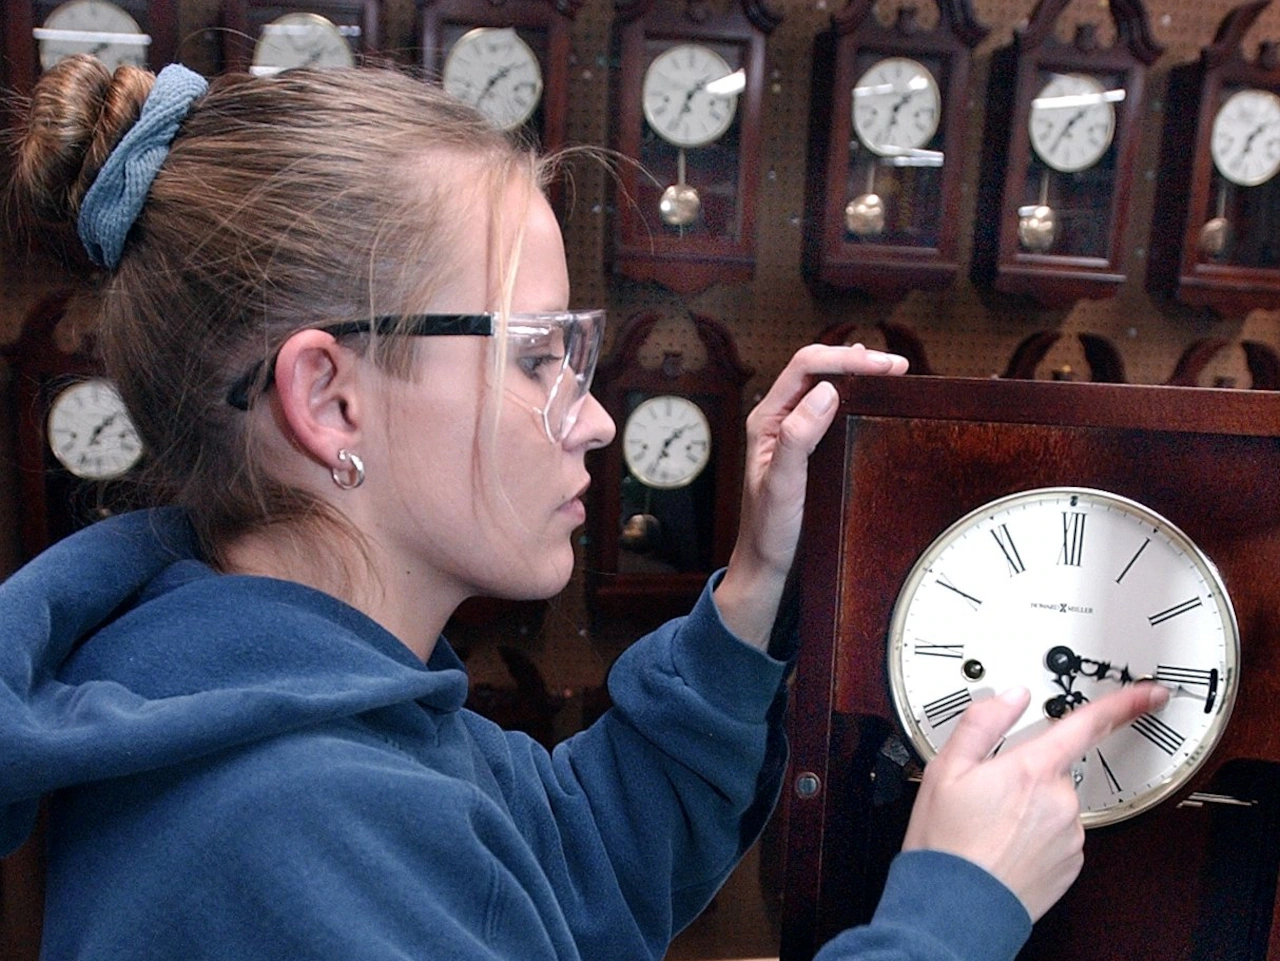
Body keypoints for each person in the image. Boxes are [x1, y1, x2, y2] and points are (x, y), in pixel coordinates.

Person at [0, 57, 1166, 960]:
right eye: (535, 356)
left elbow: (568, 863)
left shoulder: (316, 714)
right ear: (329, 397)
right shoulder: (279, 826)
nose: (595, 420)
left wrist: (756, 586)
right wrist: (954, 908)